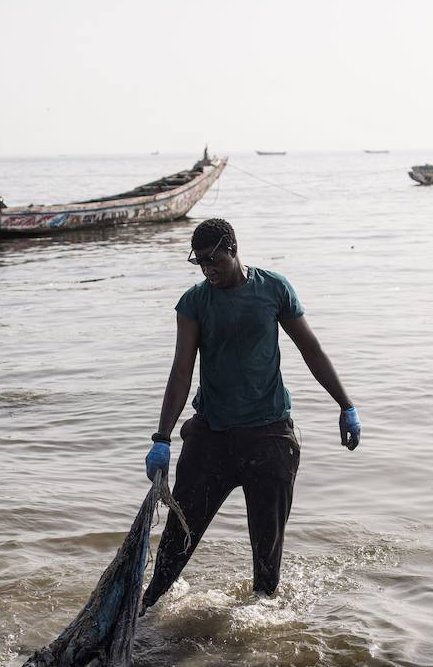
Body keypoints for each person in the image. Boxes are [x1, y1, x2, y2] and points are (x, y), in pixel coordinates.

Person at [142, 217, 360, 609]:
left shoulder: (274, 289)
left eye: (215, 261)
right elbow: (181, 371)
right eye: (201, 263)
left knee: (267, 553)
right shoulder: (194, 302)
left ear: (234, 250)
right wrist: (161, 437)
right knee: (178, 539)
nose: (209, 270)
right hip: (212, 436)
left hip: (270, 438)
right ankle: (148, 610)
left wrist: (346, 406)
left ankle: (258, 627)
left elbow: (311, 349)